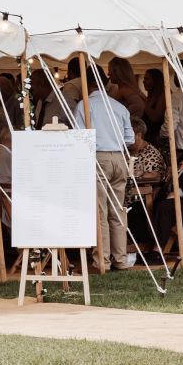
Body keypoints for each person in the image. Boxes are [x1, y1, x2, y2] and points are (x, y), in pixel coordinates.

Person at [68, 66, 135, 273]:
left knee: (100, 212)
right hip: (119, 157)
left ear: (85, 84)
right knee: (118, 212)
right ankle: (120, 259)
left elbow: (78, 136)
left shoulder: (85, 106)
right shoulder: (119, 107)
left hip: (98, 158)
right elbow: (130, 138)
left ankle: (102, 261)